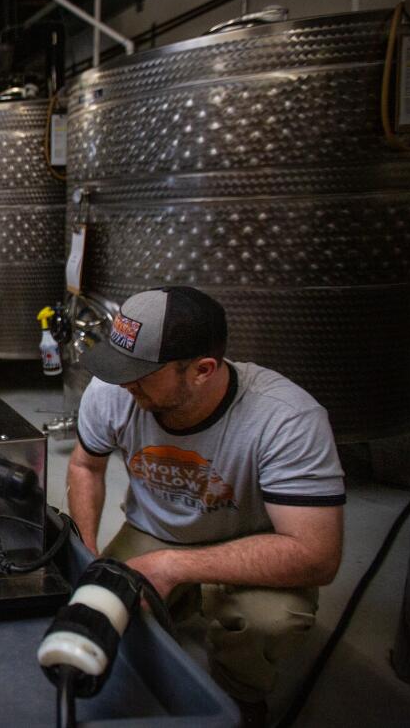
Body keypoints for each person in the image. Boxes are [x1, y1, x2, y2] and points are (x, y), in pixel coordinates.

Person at [67, 286, 344, 725]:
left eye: (141, 374)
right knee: (104, 607)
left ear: (202, 370)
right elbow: (85, 466)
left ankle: (241, 699)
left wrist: (173, 568)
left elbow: (317, 555)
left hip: (249, 539)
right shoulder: (112, 392)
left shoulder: (286, 420)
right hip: (153, 530)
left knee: (267, 622)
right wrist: (85, 548)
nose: (123, 384)